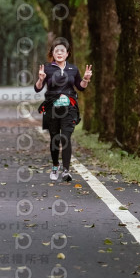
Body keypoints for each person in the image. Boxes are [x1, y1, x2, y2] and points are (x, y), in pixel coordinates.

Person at [34, 37, 92, 181]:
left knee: (66, 137)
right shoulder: (47, 69)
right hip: (52, 108)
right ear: (52, 53)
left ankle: (66, 171)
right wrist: (41, 79)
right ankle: (55, 165)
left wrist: (85, 79)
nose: (59, 53)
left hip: (69, 108)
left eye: (62, 51)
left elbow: (80, 87)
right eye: (56, 51)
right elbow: (37, 89)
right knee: (55, 139)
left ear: (67, 53)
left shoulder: (73, 69)